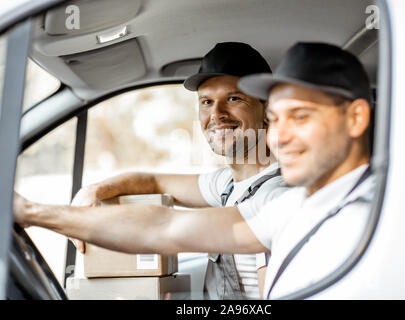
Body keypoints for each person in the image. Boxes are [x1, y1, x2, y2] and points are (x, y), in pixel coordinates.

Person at [14, 42, 375, 299]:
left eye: (301, 117)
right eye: (279, 119)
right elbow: (164, 222)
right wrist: (49, 206)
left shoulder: (360, 217)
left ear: (356, 117)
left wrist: (32, 213)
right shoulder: (292, 204)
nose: (281, 136)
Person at [66, 42, 288, 300]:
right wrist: (93, 191)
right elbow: (153, 181)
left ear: (267, 110)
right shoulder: (228, 185)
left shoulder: (275, 196)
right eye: (206, 101)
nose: (216, 114)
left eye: (233, 98)